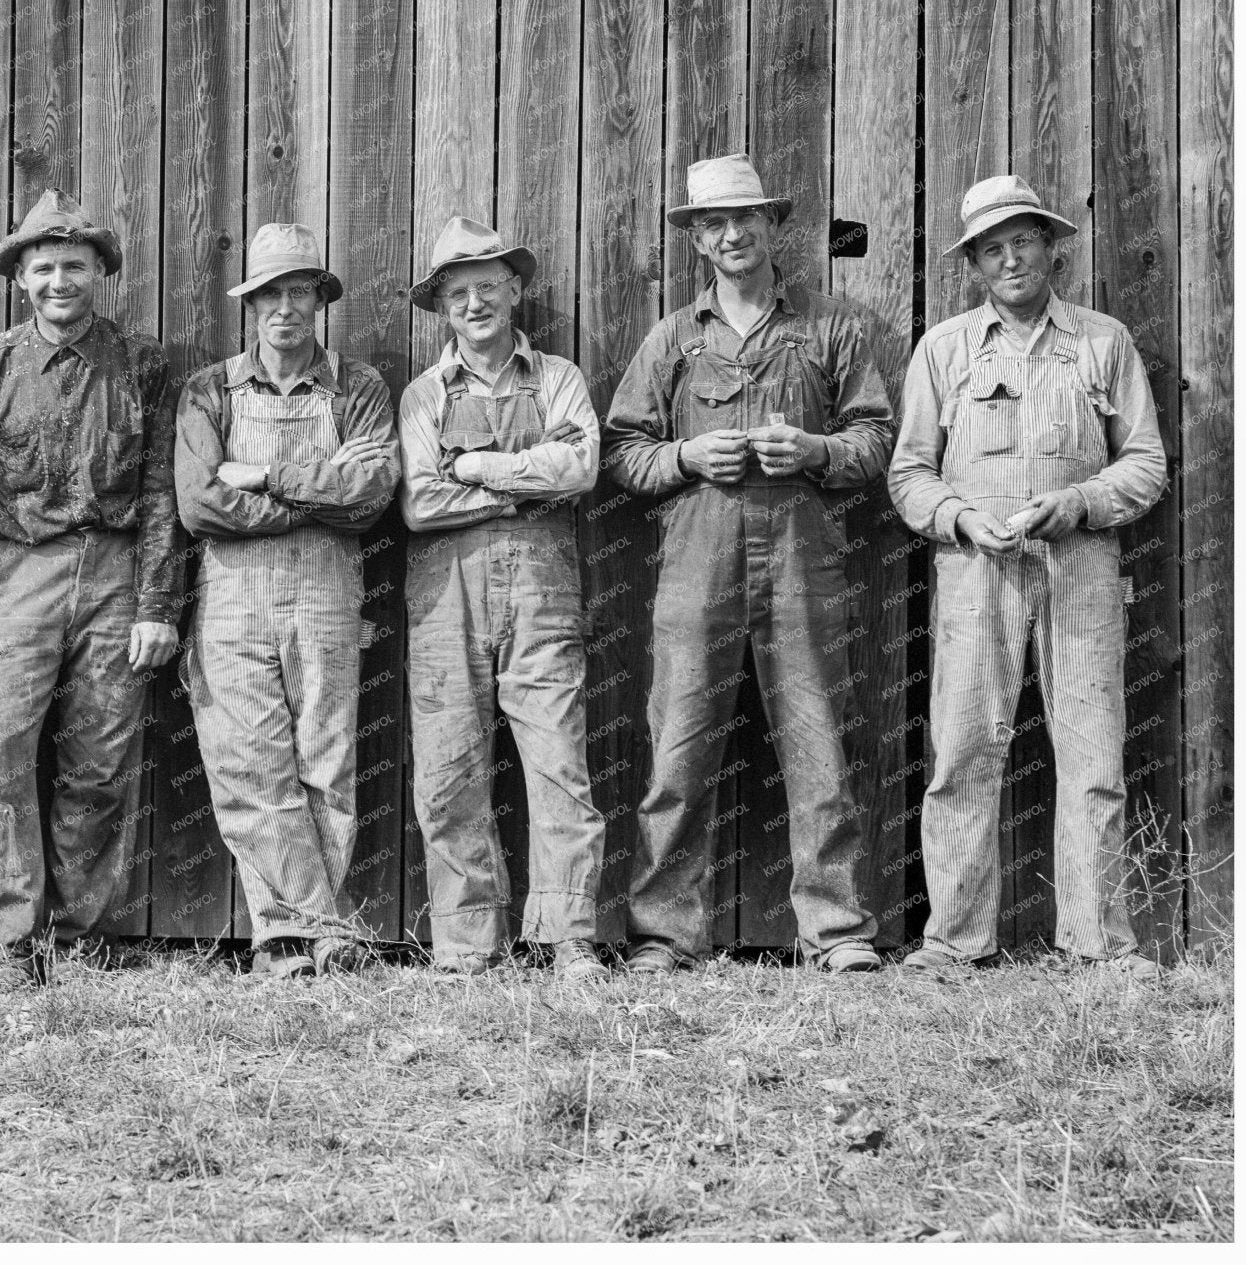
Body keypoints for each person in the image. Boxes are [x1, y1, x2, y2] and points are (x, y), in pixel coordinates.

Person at [602, 154, 892, 974]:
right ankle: (664, 935)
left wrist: (815, 449)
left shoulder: (834, 326)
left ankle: (836, 933)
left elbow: (876, 439)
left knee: (818, 745)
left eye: (746, 220)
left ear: (774, 227)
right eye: (713, 224)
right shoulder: (673, 338)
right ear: (697, 239)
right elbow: (623, 451)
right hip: (697, 564)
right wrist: (688, 457)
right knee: (679, 748)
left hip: (803, 562)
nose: (732, 235)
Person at [887, 176, 1168, 979]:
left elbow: (1146, 464)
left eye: (1023, 241)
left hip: (1080, 568)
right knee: (963, 755)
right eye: (991, 248)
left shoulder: (1102, 342)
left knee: (1092, 757)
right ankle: (954, 942)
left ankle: (1100, 944)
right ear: (974, 263)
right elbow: (909, 474)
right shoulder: (944, 349)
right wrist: (961, 519)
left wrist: (1079, 502)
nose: (1010, 259)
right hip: (977, 573)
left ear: (1052, 248)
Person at [0, 190, 184, 992]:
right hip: (18, 573)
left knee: (100, 764)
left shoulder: (142, 364)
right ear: (21, 278)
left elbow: (158, 496)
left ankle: (78, 939)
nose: (59, 280)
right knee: (0, 756)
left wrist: (157, 606)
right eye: (43, 267)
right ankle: (5, 942)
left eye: (74, 265)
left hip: (114, 573)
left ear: (99, 272)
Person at [173, 224, 400, 978]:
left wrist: (268, 479)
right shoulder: (210, 388)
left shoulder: (359, 387)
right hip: (231, 600)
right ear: (250, 304)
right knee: (248, 766)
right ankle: (300, 933)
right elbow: (201, 505)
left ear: (319, 300)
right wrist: (315, 492)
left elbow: (367, 496)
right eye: (269, 293)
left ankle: (302, 937)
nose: (284, 307)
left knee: (325, 762)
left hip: (328, 595)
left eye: (298, 291)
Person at [398, 216, 609, 979]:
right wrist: (524, 485)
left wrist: (478, 469)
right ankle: (467, 944)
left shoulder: (557, 377)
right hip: (445, 596)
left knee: (558, 761)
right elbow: (420, 505)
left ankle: (568, 937)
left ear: (515, 289)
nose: (476, 301)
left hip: (541, 591)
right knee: (449, 769)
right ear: (442, 306)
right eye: (459, 291)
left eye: (489, 285)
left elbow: (580, 467)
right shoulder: (423, 395)